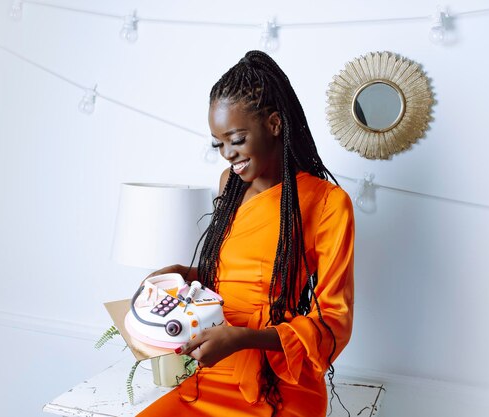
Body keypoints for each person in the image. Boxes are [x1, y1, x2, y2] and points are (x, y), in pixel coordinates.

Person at [137, 50, 355, 417]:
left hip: (278, 379)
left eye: (236, 139)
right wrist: (184, 274)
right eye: (218, 143)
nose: (227, 154)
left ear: (273, 124)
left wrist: (246, 339)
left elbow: (334, 322)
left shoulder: (327, 202)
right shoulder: (229, 185)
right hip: (214, 371)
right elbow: (227, 278)